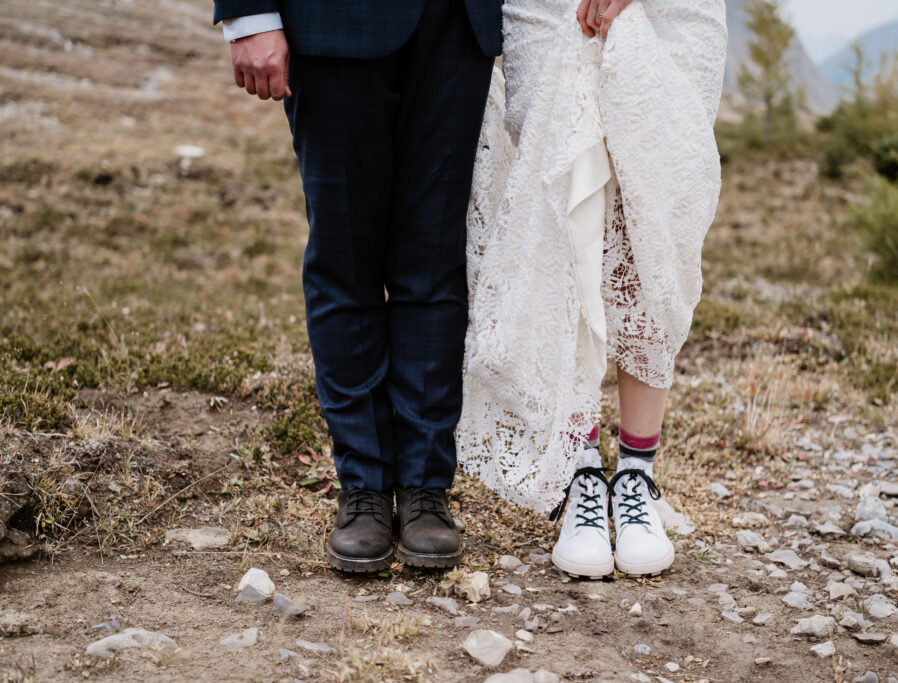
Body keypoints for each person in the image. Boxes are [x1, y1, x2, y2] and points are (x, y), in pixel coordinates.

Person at [214, 0, 502, 572]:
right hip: (332, 21)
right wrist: (249, 13)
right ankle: (364, 487)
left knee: (436, 258)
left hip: (458, 25)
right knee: (346, 258)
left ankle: (425, 488)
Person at [458, 0, 728, 577]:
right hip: (550, 12)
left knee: (655, 226)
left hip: (672, 15)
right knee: (564, 223)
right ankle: (580, 471)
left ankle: (637, 474)